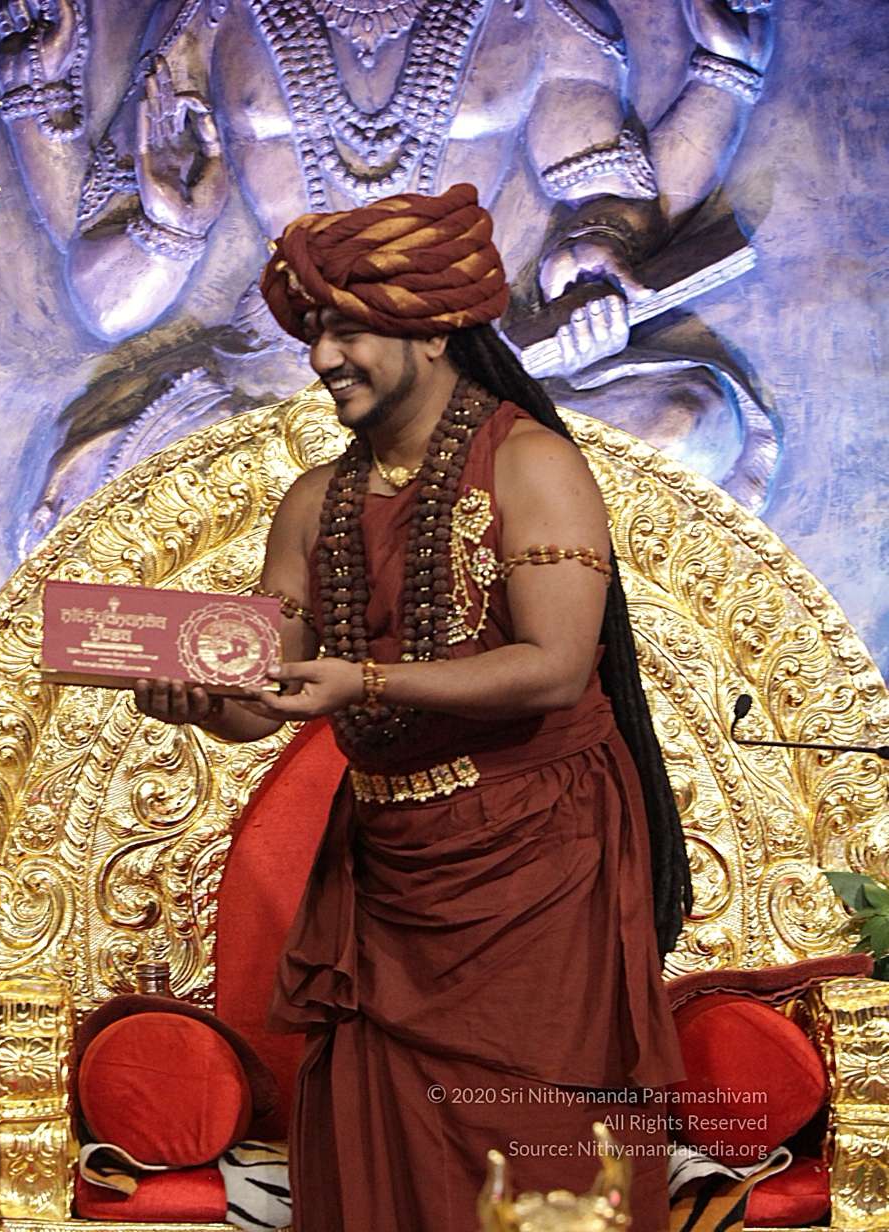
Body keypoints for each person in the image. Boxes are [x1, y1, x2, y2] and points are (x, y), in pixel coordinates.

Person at [134, 183, 690, 1231]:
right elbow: (270, 693)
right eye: (315, 331)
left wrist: (369, 682)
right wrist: (199, 704)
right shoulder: (315, 500)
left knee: (527, 1161)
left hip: (538, 868)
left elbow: (555, 667)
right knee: (382, 1169)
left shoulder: (531, 462)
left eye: (348, 329)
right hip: (384, 881)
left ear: (433, 330)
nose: (323, 356)